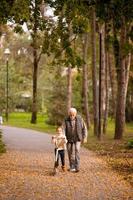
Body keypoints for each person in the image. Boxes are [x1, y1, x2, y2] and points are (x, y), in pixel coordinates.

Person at [63, 107, 88, 173]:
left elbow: (84, 128)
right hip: (69, 138)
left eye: (73, 115)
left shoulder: (80, 119)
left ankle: (77, 167)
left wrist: (85, 137)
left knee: (77, 150)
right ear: (69, 114)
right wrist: (63, 138)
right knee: (69, 152)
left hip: (77, 138)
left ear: (75, 114)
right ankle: (72, 166)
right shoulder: (66, 120)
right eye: (70, 115)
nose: (72, 116)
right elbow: (63, 129)